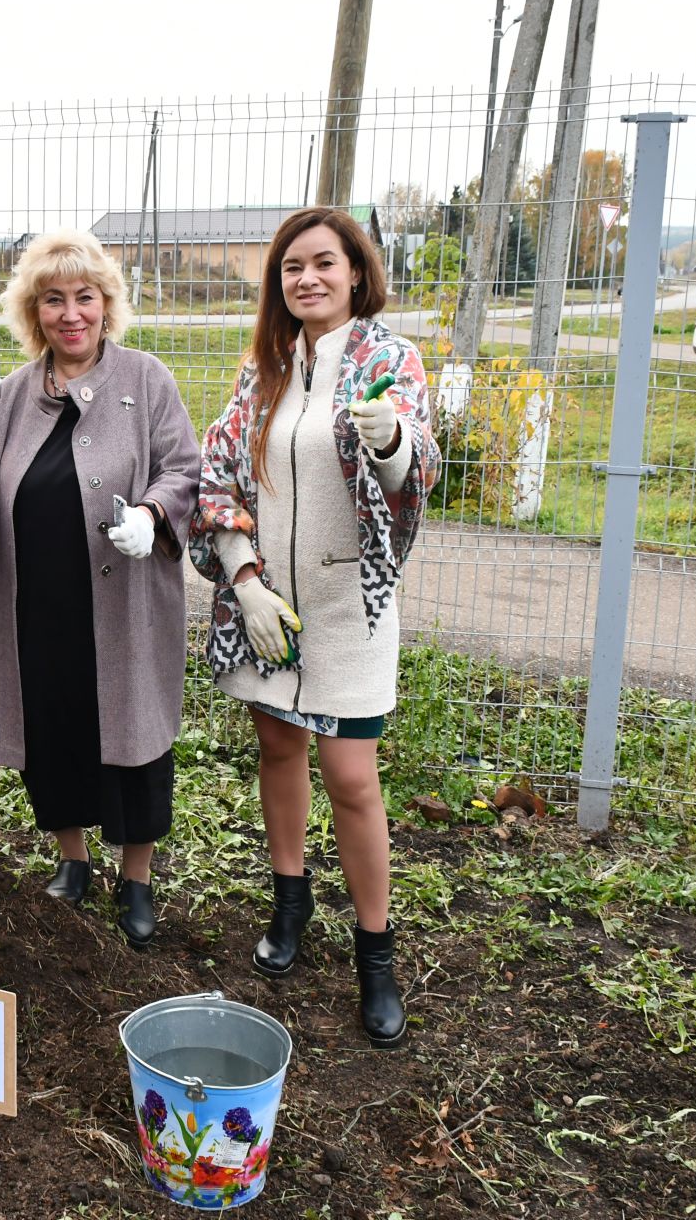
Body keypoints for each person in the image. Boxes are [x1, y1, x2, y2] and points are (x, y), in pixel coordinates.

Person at [190, 206, 441, 1048]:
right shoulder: (262, 371)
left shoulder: (389, 360)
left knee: (353, 778)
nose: (307, 278)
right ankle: (289, 901)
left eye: (323, 263)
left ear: (356, 272)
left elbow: (417, 474)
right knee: (278, 748)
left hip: (348, 606)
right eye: (292, 267)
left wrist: (394, 441)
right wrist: (245, 582)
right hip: (268, 608)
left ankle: (376, 955)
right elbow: (218, 479)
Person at [0, 229, 200, 949]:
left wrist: (153, 515)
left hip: (124, 608)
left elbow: (184, 469)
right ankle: (74, 862)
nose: (71, 313)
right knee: (49, 734)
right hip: (36, 606)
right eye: (53, 299)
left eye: (85, 297)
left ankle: (137, 880)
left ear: (106, 304)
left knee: (134, 742)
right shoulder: (11, 397)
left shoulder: (146, 381)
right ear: (34, 312)